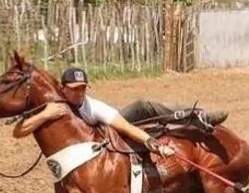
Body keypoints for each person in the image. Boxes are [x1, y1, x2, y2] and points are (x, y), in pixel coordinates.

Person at [12, 66, 177, 156]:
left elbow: (127, 127)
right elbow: (18, 132)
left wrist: (156, 145)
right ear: (63, 89)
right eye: (75, 89)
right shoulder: (54, 106)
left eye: (83, 88)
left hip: (109, 125)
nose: (80, 92)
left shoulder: (93, 107)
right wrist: (45, 115)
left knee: (144, 107)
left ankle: (188, 115)